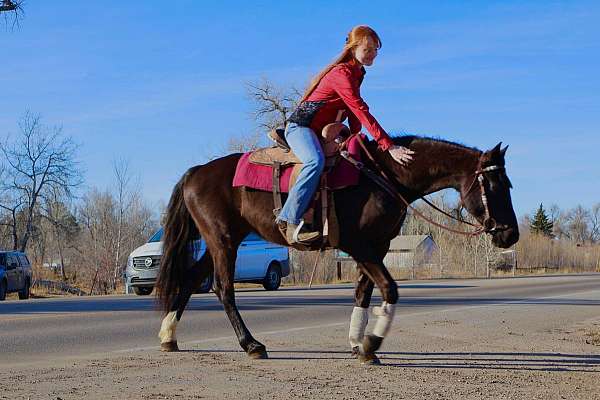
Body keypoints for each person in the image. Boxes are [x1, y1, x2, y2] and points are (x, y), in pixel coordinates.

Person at [276, 25, 415, 245]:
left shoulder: (357, 73)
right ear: (353, 48)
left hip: (323, 132)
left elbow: (352, 111)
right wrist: (388, 145)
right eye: (368, 50)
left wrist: (356, 138)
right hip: (301, 128)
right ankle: (288, 218)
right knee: (315, 161)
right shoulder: (340, 73)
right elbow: (359, 108)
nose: (373, 55)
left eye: (375, 50)